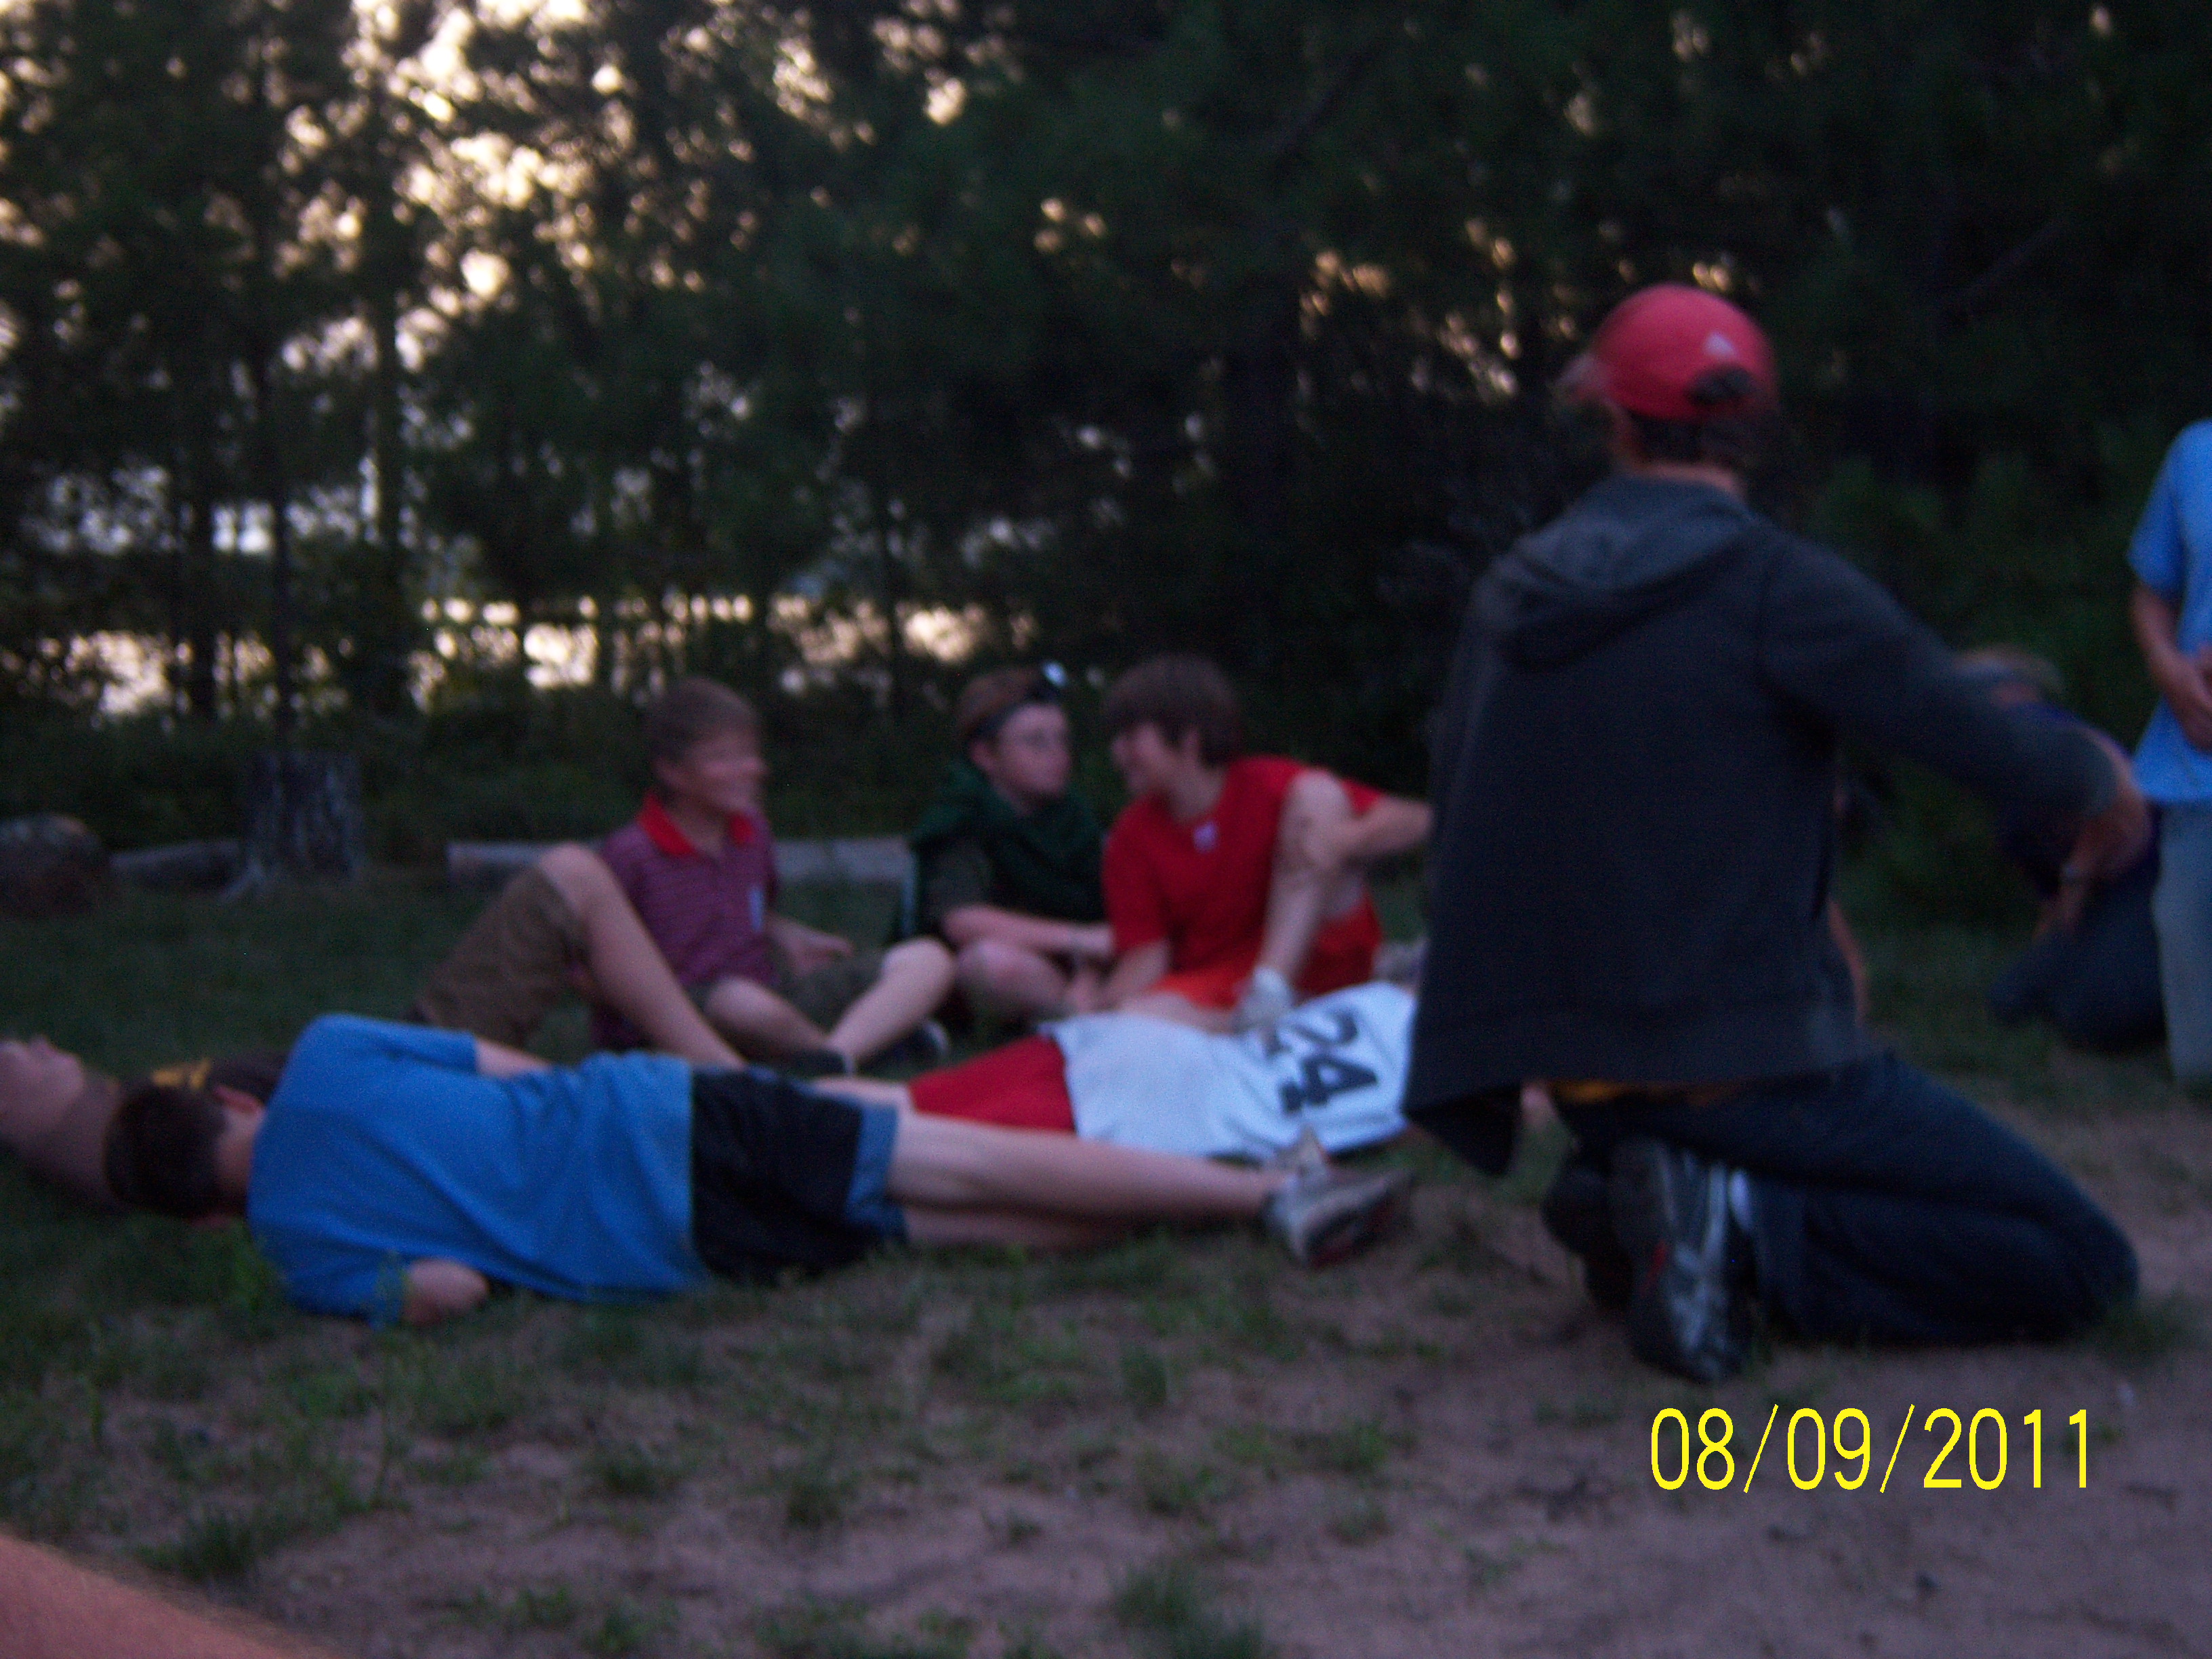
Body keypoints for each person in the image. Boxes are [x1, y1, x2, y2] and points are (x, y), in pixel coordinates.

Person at [1405, 283, 2142, 1381]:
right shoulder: (1770, 583)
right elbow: (1964, 729)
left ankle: (1629, 1198)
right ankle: (1736, 1229)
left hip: (1583, 1077)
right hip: (1747, 1068)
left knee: (1786, 1160)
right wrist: (2096, 774)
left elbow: (1460, 820)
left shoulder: (1510, 594)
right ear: (1752, 426)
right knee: (2082, 1262)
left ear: (1614, 422)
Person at [100, 1015, 1414, 1325]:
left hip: (666, 1251)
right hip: (653, 1118)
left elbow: (454, 1291)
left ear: (203, 1217)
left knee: (946, 1225)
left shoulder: (298, 1255)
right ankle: (1264, 1192)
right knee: (958, 1158)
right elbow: (501, 1065)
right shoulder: (327, 1051)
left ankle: (1224, 1211)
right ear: (230, 1098)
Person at [597, 678, 954, 1074]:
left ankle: (834, 1057)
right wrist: (649, 1010)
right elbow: (588, 966)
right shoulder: (633, 854)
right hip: (681, 1016)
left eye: (751, 754)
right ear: (673, 772)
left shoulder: (752, 834)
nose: (751, 769)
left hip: (771, 996)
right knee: (739, 1002)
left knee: (928, 958)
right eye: (724, 758)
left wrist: (787, 934)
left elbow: (750, 911)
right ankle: (862, 1050)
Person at [1096, 655, 1431, 1032]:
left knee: (1318, 796)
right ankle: (1274, 1019)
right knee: (1137, 1015)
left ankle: (1273, 995)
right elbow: (1146, 959)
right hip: (1226, 985)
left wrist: (1341, 840)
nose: (1117, 753)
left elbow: (1420, 821)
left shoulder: (1269, 784)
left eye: (1130, 738)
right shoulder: (1130, 839)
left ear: (1188, 737)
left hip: (1324, 960)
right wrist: (1094, 1014)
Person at [909, 979, 1414, 1161]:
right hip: (1169, 1109)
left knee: (904, 1112)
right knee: (907, 1137)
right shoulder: (1411, 1039)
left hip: (1146, 1059)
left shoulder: (1382, 997)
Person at [1960, 649, 2163, 1051]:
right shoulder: (1998, 765)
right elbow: (2050, 894)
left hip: (2145, 878)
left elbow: (2122, 799)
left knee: (2096, 1016)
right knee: (2009, 1001)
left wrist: (2077, 876)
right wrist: (2049, 945)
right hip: (2099, 898)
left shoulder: (2035, 728)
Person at [903, 665, 1114, 1023]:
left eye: (1062, 740)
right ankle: (1075, 1013)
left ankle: (1080, 1008)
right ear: (986, 755)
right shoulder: (962, 816)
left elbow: (1108, 917)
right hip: (994, 968)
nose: (1057, 754)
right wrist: (1079, 939)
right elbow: (961, 921)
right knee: (989, 964)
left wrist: (1090, 967)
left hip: (1078, 963)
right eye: (1036, 742)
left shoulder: (1076, 819)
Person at [2126, 419, 2212, 1089]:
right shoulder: (2196, 454)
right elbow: (2153, 592)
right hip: (2197, 770)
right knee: (2199, 1067)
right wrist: (2167, 666)